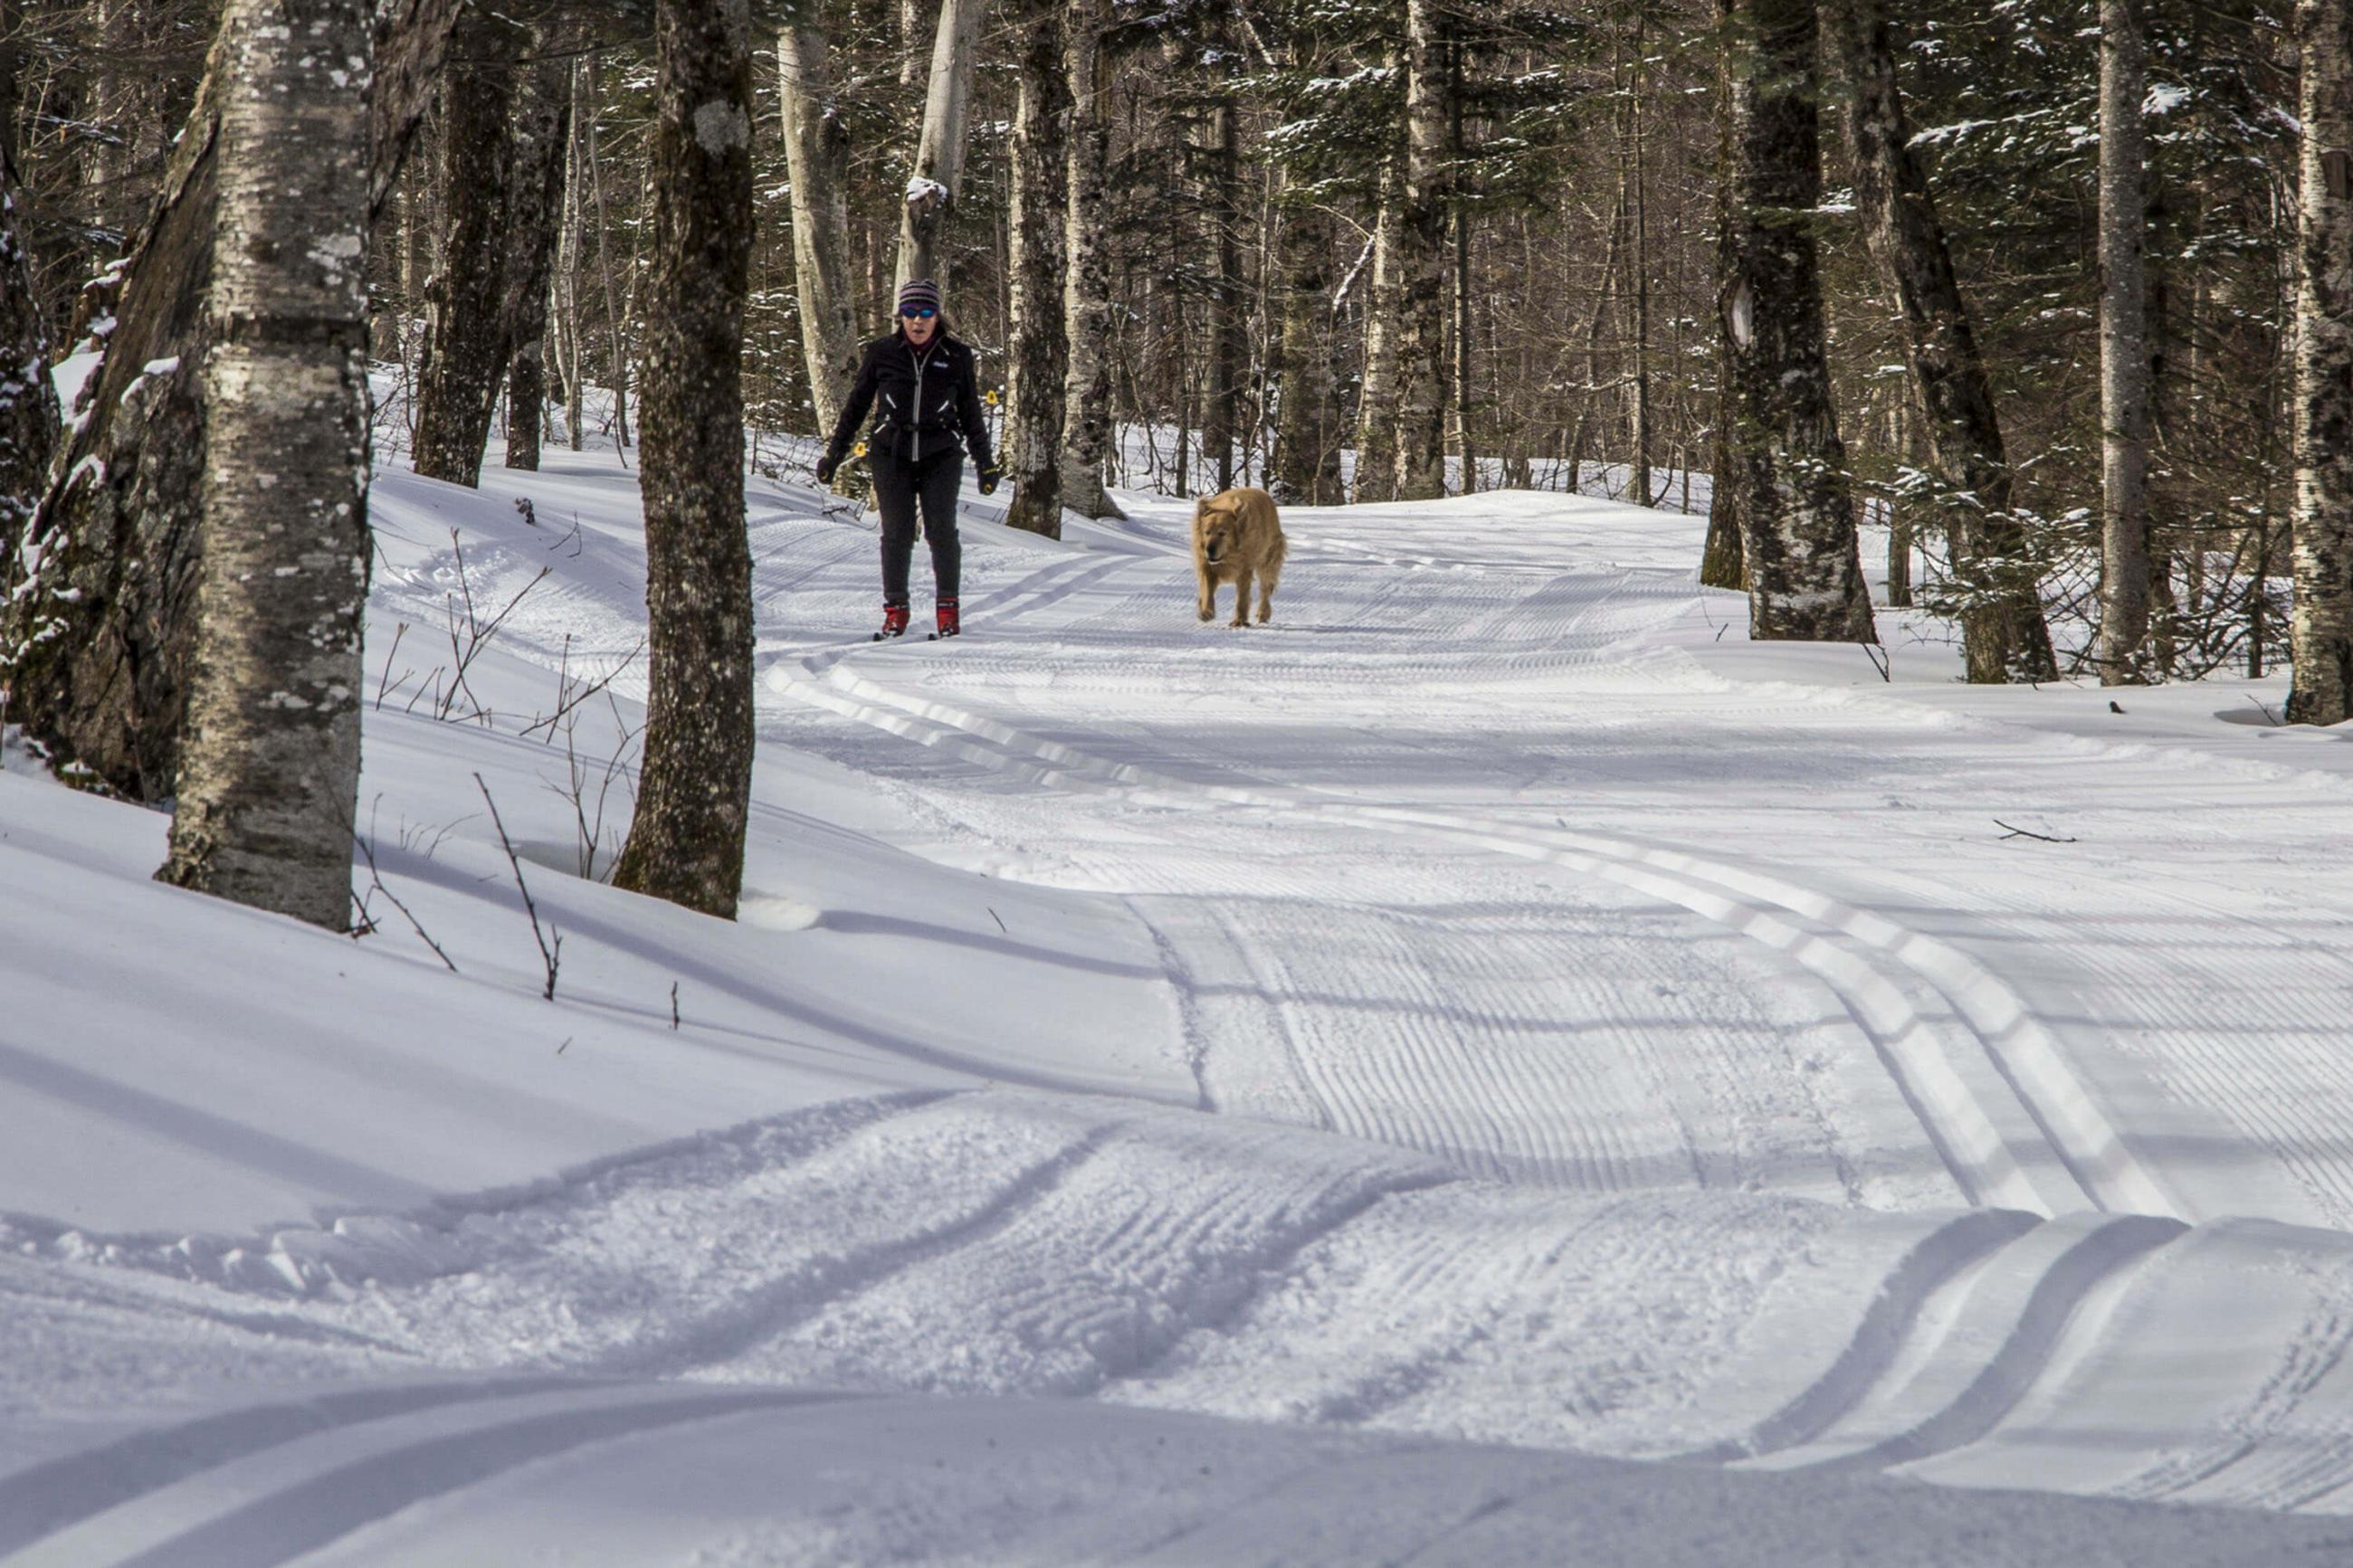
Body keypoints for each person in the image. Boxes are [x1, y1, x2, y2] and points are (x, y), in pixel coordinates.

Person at [815, 278, 1000, 640]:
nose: (918, 321)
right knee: (896, 533)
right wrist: (834, 455)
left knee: (941, 531)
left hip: (941, 455)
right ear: (900, 316)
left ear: (937, 316)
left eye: (926, 313)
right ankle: (895, 612)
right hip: (891, 453)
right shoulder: (882, 353)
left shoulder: (956, 356)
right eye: (910, 313)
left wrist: (986, 463)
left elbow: (972, 414)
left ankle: (948, 612)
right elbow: (856, 408)